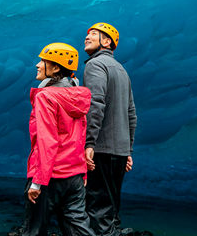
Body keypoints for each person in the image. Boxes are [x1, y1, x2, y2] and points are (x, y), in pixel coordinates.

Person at [19, 43, 94, 236]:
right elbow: (80, 137)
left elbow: (47, 141)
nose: (37, 65)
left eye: (43, 61)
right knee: (78, 229)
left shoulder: (46, 97)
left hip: (50, 176)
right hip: (75, 176)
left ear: (55, 68)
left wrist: (37, 182)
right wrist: (83, 173)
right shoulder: (79, 96)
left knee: (33, 231)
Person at [81, 22, 137, 236]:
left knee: (97, 208)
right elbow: (132, 113)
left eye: (94, 34)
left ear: (107, 42)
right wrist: (128, 151)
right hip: (119, 151)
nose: (87, 37)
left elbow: (95, 103)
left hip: (101, 149)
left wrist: (89, 142)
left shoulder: (95, 65)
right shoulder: (122, 70)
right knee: (111, 207)